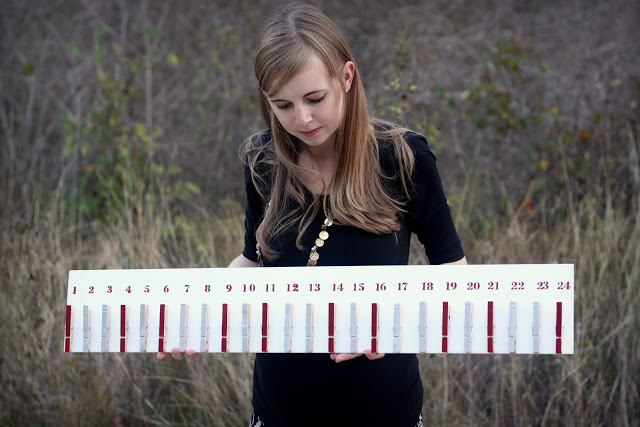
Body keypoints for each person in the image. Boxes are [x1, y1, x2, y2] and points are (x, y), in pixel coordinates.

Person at [159, 3, 466, 426]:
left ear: (347, 76)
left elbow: (455, 275)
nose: (301, 119)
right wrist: (197, 315)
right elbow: (253, 262)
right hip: (278, 409)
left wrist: (391, 324)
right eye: (282, 105)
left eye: (314, 98)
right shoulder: (261, 160)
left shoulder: (403, 157)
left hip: (382, 409)